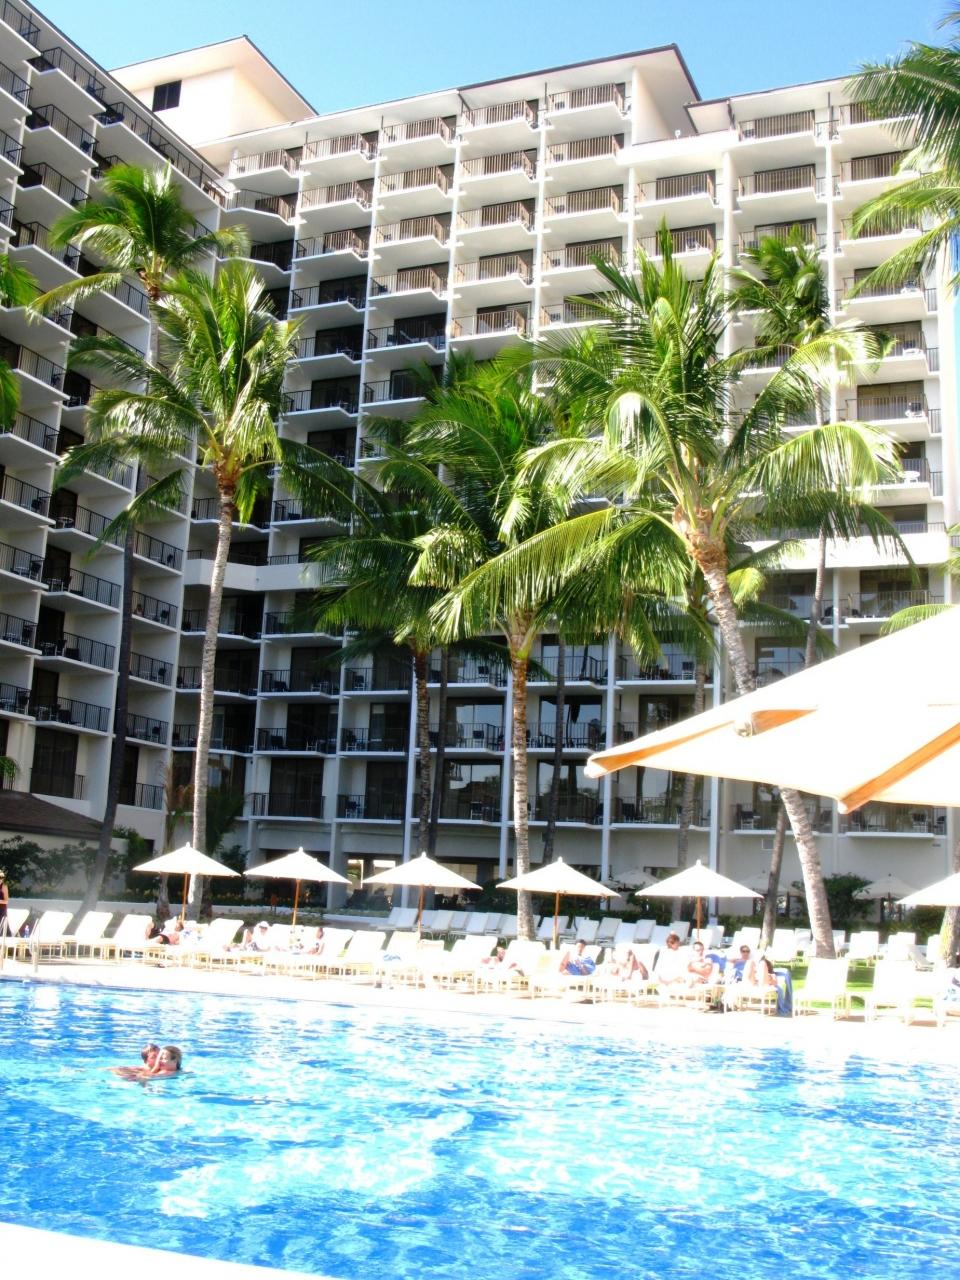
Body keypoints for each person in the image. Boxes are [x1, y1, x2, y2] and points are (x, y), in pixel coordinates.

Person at [0, 868, 8, 934]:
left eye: (2, 878)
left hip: (1, 910)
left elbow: (6, 901)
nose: (1, 879)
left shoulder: (4, 887)